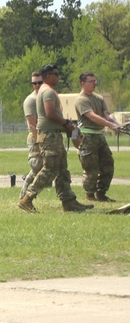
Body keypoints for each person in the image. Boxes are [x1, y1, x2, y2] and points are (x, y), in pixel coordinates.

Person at [18, 64, 93, 213]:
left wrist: (67, 125)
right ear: (48, 76)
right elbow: (50, 113)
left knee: (62, 170)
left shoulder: (48, 91)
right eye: (55, 74)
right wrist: (66, 123)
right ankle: (27, 198)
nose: (58, 76)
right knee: (49, 169)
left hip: (54, 134)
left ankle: (68, 202)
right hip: (49, 136)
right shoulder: (47, 92)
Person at [74, 72, 121, 202]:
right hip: (87, 137)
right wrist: (110, 125)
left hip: (100, 136)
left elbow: (107, 114)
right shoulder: (81, 100)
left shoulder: (99, 98)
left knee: (108, 165)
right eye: (91, 81)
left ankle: (101, 194)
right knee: (91, 169)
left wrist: (117, 124)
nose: (95, 84)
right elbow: (92, 116)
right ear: (82, 83)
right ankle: (90, 195)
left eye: (95, 81)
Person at [18, 71, 44, 197]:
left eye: (40, 82)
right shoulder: (31, 100)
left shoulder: (46, 97)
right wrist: (39, 141)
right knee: (36, 167)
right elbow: (32, 125)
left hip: (47, 135)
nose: (37, 85)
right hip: (36, 136)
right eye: (34, 83)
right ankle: (24, 194)